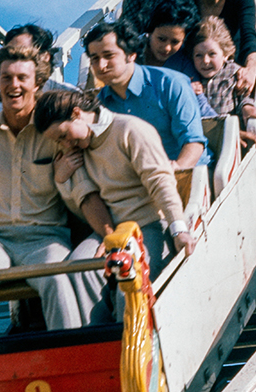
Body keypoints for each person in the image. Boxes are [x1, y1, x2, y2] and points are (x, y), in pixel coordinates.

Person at [0, 45, 106, 339]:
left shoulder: (55, 136)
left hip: (45, 239)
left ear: (37, 84)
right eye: (6, 77)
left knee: (58, 271)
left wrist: (107, 233)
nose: (14, 85)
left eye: (22, 78)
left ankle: (70, 350)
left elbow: (84, 193)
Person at [35, 89, 196, 294]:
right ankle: (91, 326)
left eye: (64, 135)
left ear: (76, 114)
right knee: (78, 271)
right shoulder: (75, 153)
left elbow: (160, 182)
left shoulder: (130, 129)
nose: (66, 144)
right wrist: (62, 179)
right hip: (109, 231)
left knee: (129, 279)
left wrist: (179, 230)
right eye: (59, 142)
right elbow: (83, 205)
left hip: (149, 225)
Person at [84, 20, 210, 169]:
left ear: (131, 54)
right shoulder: (101, 103)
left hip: (191, 173)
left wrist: (175, 170)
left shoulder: (170, 84)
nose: (101, 66)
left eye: (108, 55)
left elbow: (193, 142)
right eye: (95, 58)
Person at [190, 17, 256, 147]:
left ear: (225, 54)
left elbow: (244, 96)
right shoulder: (193, 77)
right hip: (206, 137)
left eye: (212, 54)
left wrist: (247, 107)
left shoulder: (234, 73)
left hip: (233, 136)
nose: (205, 61)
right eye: (198, 55)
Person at [3, 23, 74, 90]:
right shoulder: (4, 100)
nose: (12, 59)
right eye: (7, 54)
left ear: (45, 57)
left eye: (22, 53)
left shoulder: (68, 97)